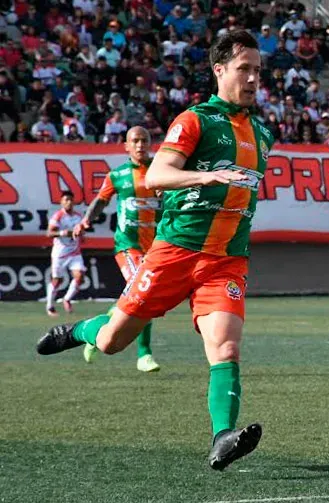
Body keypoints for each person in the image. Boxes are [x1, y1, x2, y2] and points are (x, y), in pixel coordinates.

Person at [36, 30, 275, 471]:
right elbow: (158, 176)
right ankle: (78, 331)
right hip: (174, 253)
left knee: (225, 349)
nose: (254, 78)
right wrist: (208, 178)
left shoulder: (263, 132)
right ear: (219, 70)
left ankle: (222, 436)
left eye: (258, 70)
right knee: (111, 342)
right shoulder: (194, 121)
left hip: (226, 261)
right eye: (245, 69)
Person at [72, 126, 162, 373]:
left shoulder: (161, 172)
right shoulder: (118, 175)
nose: (140, 145)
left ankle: (99, 329)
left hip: (157, 247)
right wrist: (85, 221)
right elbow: (101, 200)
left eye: (144, 140)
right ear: (126, 146)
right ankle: (144, 355)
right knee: (144, 292)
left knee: (142, 296)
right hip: (128, 246)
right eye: (135, 141)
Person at [45, 191, 86, 317]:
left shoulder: (79, 216)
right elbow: (49, 233)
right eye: (66, 200)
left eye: (70, 200)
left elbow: (82, 232)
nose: (68, 202)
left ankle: (67, 299)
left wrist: (81, 236)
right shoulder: (58, 216)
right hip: (60, 253)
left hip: (74, 252)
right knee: (57, 280)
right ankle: (50, 306)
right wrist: (64, 233)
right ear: (61, 202)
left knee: (80, 276)